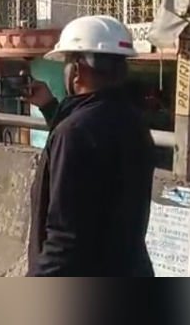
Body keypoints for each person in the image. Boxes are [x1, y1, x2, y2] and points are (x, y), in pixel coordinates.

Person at [23, 15, 156, 277]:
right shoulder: (133, 122)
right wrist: (50, 107)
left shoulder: (75, 132)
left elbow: (64, 240)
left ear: (77, 70)